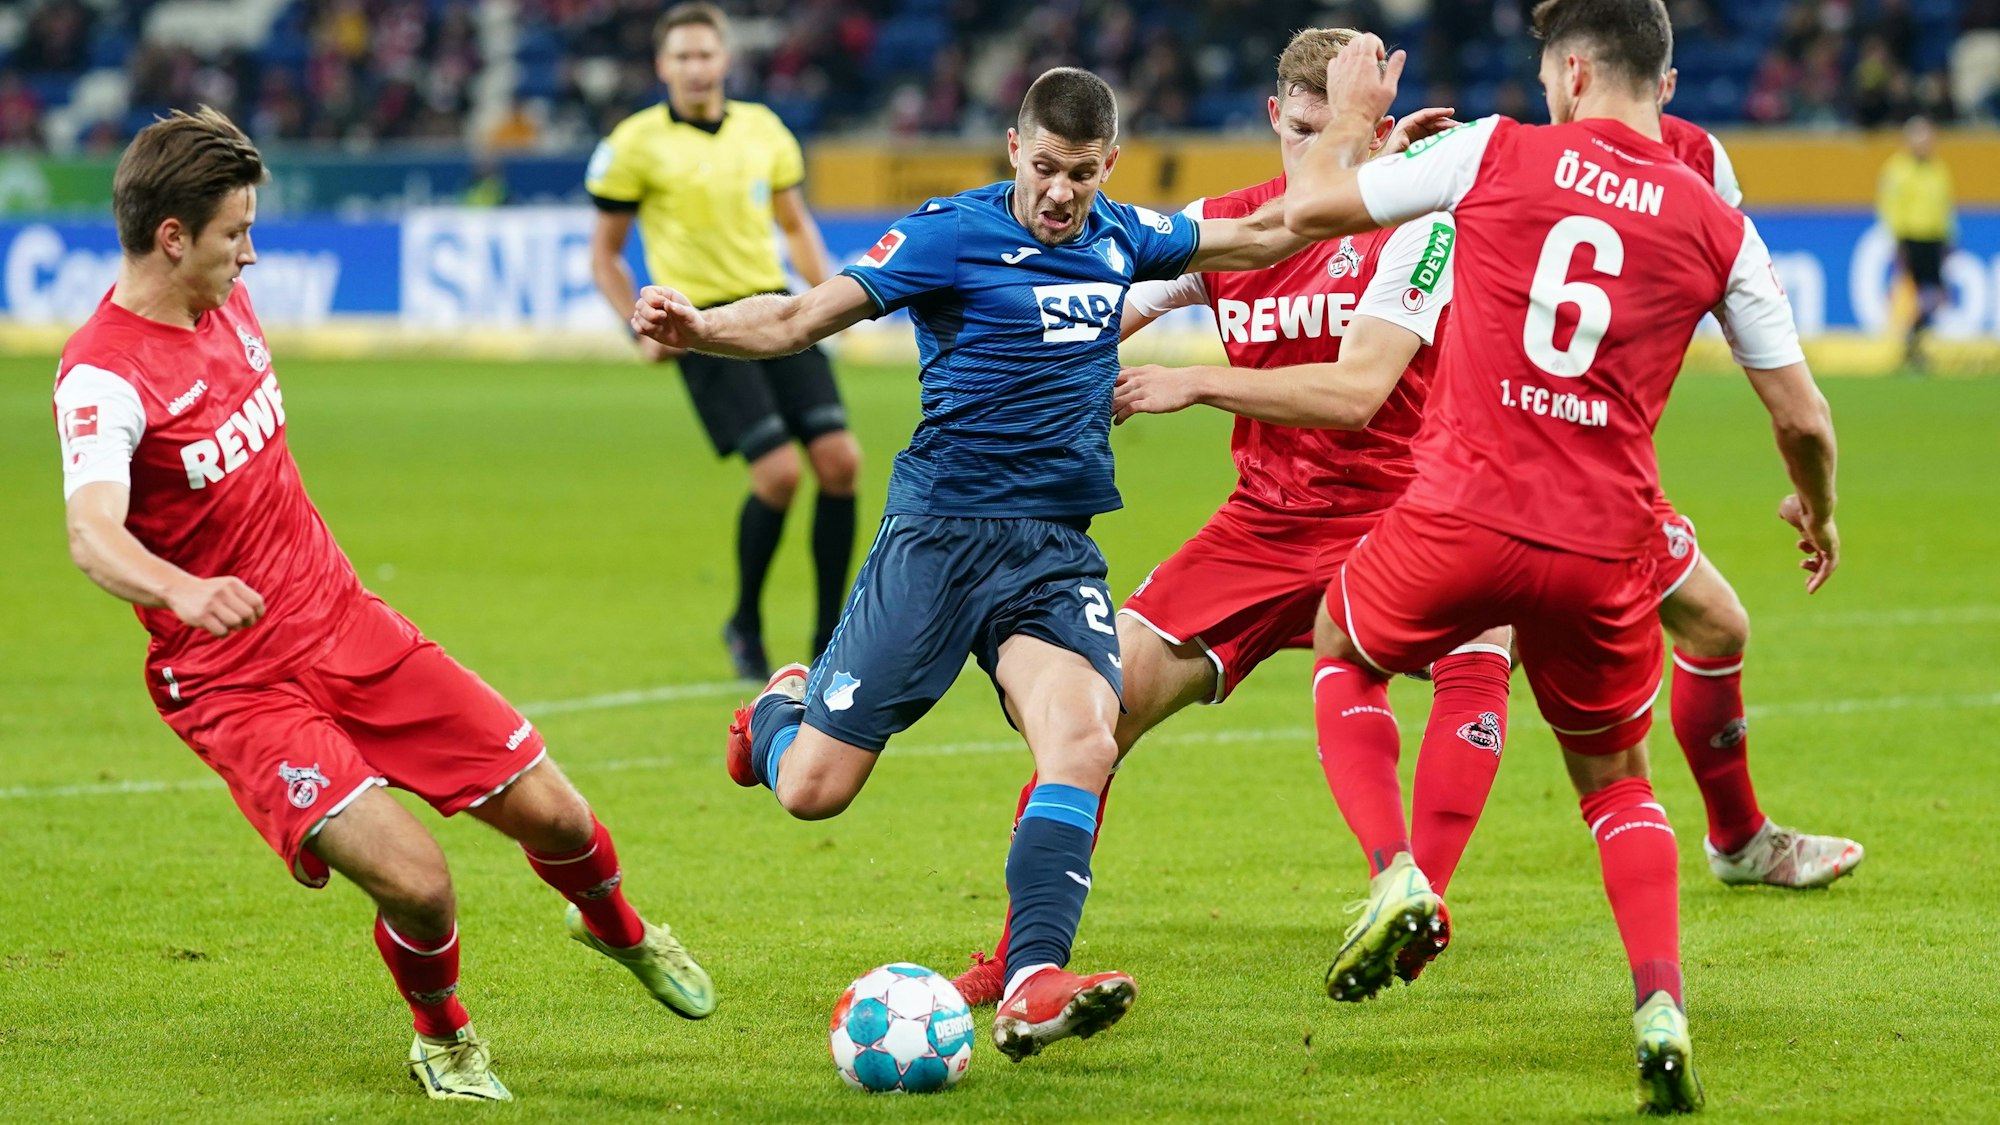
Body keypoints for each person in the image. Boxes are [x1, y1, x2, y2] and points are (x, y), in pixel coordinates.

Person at [633, 67, 1308, 1061]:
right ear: (1011, 151)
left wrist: (1391, 179)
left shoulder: (1124, 234)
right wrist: (699, 329)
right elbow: (795, 318)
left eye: (1079, 173)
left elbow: (1262, 235)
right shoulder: (949, 233)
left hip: (1051, 553)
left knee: (1083, 744)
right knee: (813, 788)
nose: (1058, 192)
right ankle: (779, 709)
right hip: (937, 540)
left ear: (1107, 166)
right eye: (1042, 167)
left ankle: (1033, 981)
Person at [55, 109, 715, 1104]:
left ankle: (614, 925)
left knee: (561, 819)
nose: (253, 250)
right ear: (171, 237)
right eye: (235, 232)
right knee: (418, 880)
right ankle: (443, 1037)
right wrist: (182, 588)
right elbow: (92, 532)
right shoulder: (104, 378)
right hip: (236, 683)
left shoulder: (229, 305)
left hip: (345, 619)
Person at [1284, 0, 1840, 1112]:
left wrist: (1356, 134)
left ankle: (1397, 870)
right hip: (1606, 544)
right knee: (1614, 783)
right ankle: (1659, 1010)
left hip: (1462, 512)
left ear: (1573, 71)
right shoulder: (1712, 214)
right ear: (1658, 79)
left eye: (1547, 75)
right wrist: (1814, 509)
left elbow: (1310, 213)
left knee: (1339, 642)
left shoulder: (1493, 149)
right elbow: (1803, 420)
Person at [948, 27, 1513, 1008]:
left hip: (1399, 516)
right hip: (1261, 525)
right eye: (1298, 131)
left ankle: (1411, 891)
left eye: (1333, 133)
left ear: (1374, 132)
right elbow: (1093, 310)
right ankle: (1018, 965)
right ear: (1273, 118)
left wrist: (1195, 381)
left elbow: (1357, 392)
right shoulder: (1225, 226)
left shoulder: (1414, 223)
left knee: (1491, 638)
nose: (1312, 156)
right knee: (1090, 707)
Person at [588, 0, 862, 678]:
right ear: (662, 65)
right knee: (778, 473)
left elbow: (795, 224)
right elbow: (606, 255)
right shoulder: (634, 143)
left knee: (842, 463)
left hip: (774, 307)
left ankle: (831, 633)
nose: (695, 67)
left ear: (725, 60)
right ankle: (745, 620)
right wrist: (639, 327)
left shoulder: (764, 131)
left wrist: (827, 296)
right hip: (700, 321)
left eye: (705, 54)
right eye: (681, 56)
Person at [1876, 114, 1956, 370]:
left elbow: (1945, 207)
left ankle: (1913, 339)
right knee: (1919, 292)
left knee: (1935, 295)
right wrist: (1898, 240)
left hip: (1934, 239)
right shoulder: (1898, 169)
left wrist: (1947, 238)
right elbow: (1890, 205)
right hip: (1911, 238)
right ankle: (1911, 341)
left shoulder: (1938, 169)